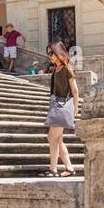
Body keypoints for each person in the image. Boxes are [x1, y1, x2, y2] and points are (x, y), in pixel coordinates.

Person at [41, 41, 78, 177]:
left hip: (64, 106)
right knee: (58, 139)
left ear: (59, 52)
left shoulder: (67, 68)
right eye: (48, 53)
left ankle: (53, 169)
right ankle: (69, 168)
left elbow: (75, 90)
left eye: (52, 53)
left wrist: (75, 108)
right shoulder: (55, 70)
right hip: (57, 105)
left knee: (51, 137)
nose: (50, 56)